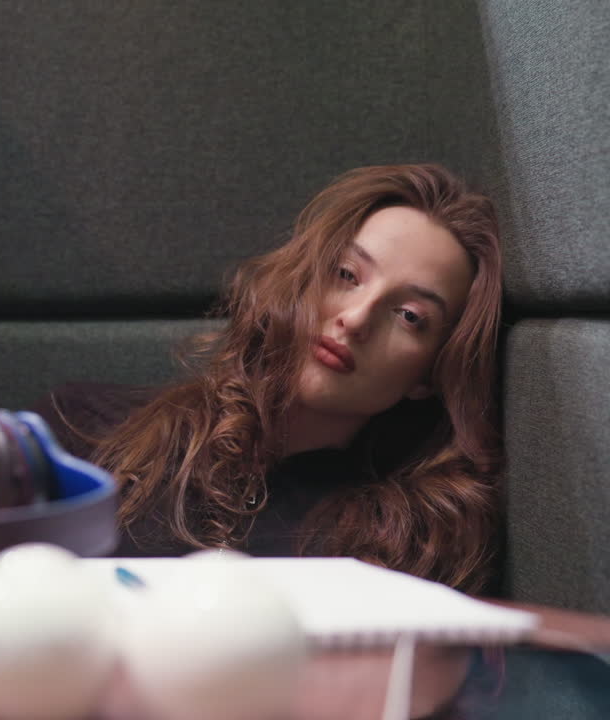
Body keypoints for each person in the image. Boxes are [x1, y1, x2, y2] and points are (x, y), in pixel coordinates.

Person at [34, 163, 503, 596]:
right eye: (345, 273)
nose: (356, 319)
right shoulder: (80, 430)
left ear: (429, 375)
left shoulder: (405, 540)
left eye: (409, 315)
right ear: (298, 278)